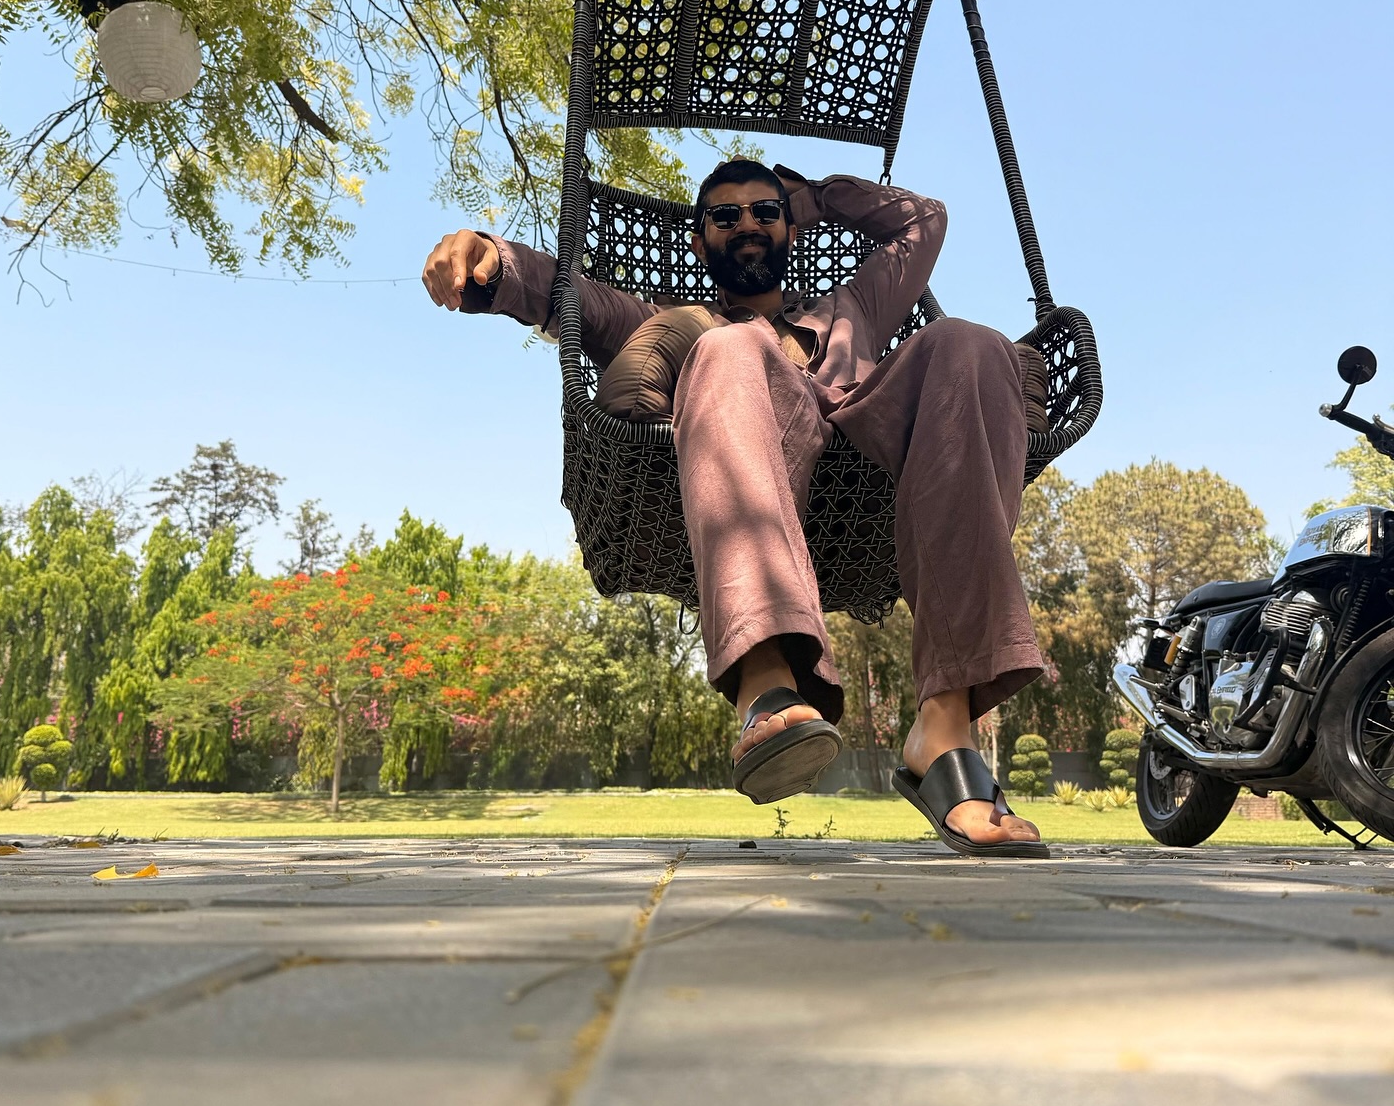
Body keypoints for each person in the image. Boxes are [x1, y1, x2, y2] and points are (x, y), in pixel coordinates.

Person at [423, 158, 1048, 857]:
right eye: (726, 215)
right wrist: (490, 259)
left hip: (873, 461)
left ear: (790, 230)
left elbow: (922, 220)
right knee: (726, 345)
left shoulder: (853, 311)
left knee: (972, 343)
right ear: (700, 242)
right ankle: (766, 682)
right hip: (753, 460)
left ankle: (944, 727)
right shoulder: (672, 321)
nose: (747, 223)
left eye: (765, 212)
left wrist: (811, 197)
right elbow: (569, 297)